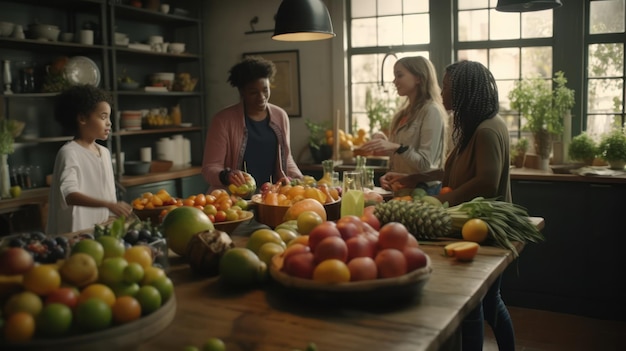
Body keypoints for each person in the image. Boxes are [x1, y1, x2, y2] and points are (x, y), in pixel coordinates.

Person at [384, 60, 514, 350]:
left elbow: (486, 183)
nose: (442, 93)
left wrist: (440, 200)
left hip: (483, 229)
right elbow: (453, 172)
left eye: (447, 87)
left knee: (476, 306)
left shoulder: (487, 130)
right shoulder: (476, 127)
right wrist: (412, 178)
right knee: (489, 303)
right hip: (472, 225)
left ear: (464, 91)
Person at [202, 56, 302, 192]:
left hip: (270, 196)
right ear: (242, 92)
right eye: (253, 92)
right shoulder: (223, 121)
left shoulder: (280, 116)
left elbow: (286, 158)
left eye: (265, 90)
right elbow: (210, 167)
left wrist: (299, 179)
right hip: (231, 200)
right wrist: (227, 175)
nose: (261, 97)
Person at [47, 84, 132, 235]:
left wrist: (114, 213)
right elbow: (69, 195)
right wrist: (109, 204)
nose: (109, 123)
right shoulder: (69, 152)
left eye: (109, 117)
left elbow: (109, 196)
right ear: (82, 118)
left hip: (100, 232)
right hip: (74, 236)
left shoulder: (104, 153)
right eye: (103, 116)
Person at [358, 56, 448, 195]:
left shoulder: (431, 111)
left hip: (424, 192)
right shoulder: (403, 114)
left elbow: (426, 165)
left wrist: (396, 147)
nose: (394, 81)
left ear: (418, 78)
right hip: (403, 191)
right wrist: (389, 175)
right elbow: (402, 157)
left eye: (399, 75)